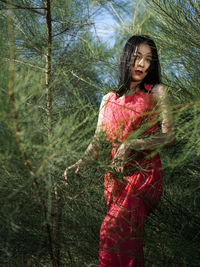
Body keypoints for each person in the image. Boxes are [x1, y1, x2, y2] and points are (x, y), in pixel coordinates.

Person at [63, 35, 174, 267]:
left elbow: (169, 135)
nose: (142, 64)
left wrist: (131, 144)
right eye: (137, 57)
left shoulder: (156, 92)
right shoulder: (108, 99)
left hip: (144, 176)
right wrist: (80, 162)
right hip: (115, 179)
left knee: (111, 232)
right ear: (126, 59)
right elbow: (98, 141)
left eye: (148, 59)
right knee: (122, 240)